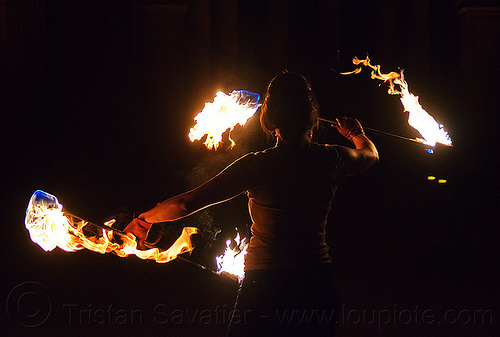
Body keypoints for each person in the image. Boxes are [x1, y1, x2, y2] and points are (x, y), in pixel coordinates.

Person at [124, 72, 379, 336]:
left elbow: (187, 204)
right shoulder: (331, 159)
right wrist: (354, 133)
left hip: (268, 288)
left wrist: (144, 220)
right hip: (317, 285)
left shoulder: (258, 165)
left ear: (268, 119)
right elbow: (370, 154)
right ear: (312, 116)